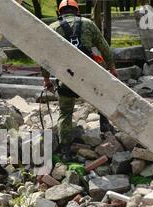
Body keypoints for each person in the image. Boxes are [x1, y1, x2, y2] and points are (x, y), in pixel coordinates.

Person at [42, 0, 118, 161]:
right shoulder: (88, 24)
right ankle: (104, 124)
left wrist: (47, 80)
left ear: (59, 12)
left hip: (66, 77)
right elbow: (104, 47)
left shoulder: (53, 28)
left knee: (66, 113)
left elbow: (45, 58)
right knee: (101, 96)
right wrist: (111, 67)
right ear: (77, 11)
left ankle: (66, 151)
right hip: (89, 75)